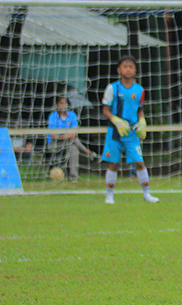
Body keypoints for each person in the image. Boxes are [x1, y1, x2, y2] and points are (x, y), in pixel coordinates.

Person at [101, 55, 159, 204]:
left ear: (135, 70)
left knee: (139, 163)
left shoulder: (139, 90)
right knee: (113, 163)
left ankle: (147, 194)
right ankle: (109, 195)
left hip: (132, 132)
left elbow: (139, 109)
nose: (128, 69)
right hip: (115, 131)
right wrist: (116, 120)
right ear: (119, 69)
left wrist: (142, 121)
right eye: (125, 66)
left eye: (131, 66)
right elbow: (106, 110)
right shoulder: (112, 88)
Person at [46, 96, 100, 181]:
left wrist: (62, 135)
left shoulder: (72, 115)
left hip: (69, 143)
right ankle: (89, 153)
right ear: (57, 105)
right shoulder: (52, 116)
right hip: (55, 143)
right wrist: (66, 135)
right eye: (61, 103)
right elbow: (53, 136)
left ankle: (73, 178)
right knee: (74, 141)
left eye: (65, 103)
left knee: (74, 149)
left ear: (67, 104)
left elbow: (74, 134)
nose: (63, 105)